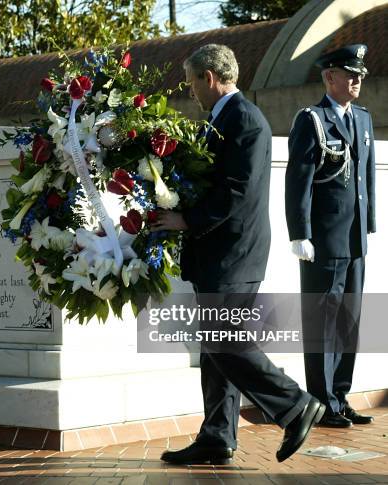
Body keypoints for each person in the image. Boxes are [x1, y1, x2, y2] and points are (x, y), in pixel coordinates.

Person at [151, 44, 324, 465]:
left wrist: (186, 220)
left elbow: (236, 191)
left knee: (224, 340)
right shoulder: (220, 118)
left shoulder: (244, 120)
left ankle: (294, 404)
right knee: (215, 350)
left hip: (234, 253)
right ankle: (217, 436)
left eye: (192, 80)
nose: (190, 89)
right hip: (220, 252)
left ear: (209, 77)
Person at [285, 45, 375, 428]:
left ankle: (340, 396)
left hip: (354, 241)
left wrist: (368, 223)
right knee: (322, 323)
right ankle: (321, 405)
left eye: (360, 75)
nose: (356, 80)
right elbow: (298, 181)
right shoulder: (313, 120)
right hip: (322, 240)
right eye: (349, 74)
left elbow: (365, 178)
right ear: (329, 77)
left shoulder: (363, 119)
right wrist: (299, 234)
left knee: (349, 323)